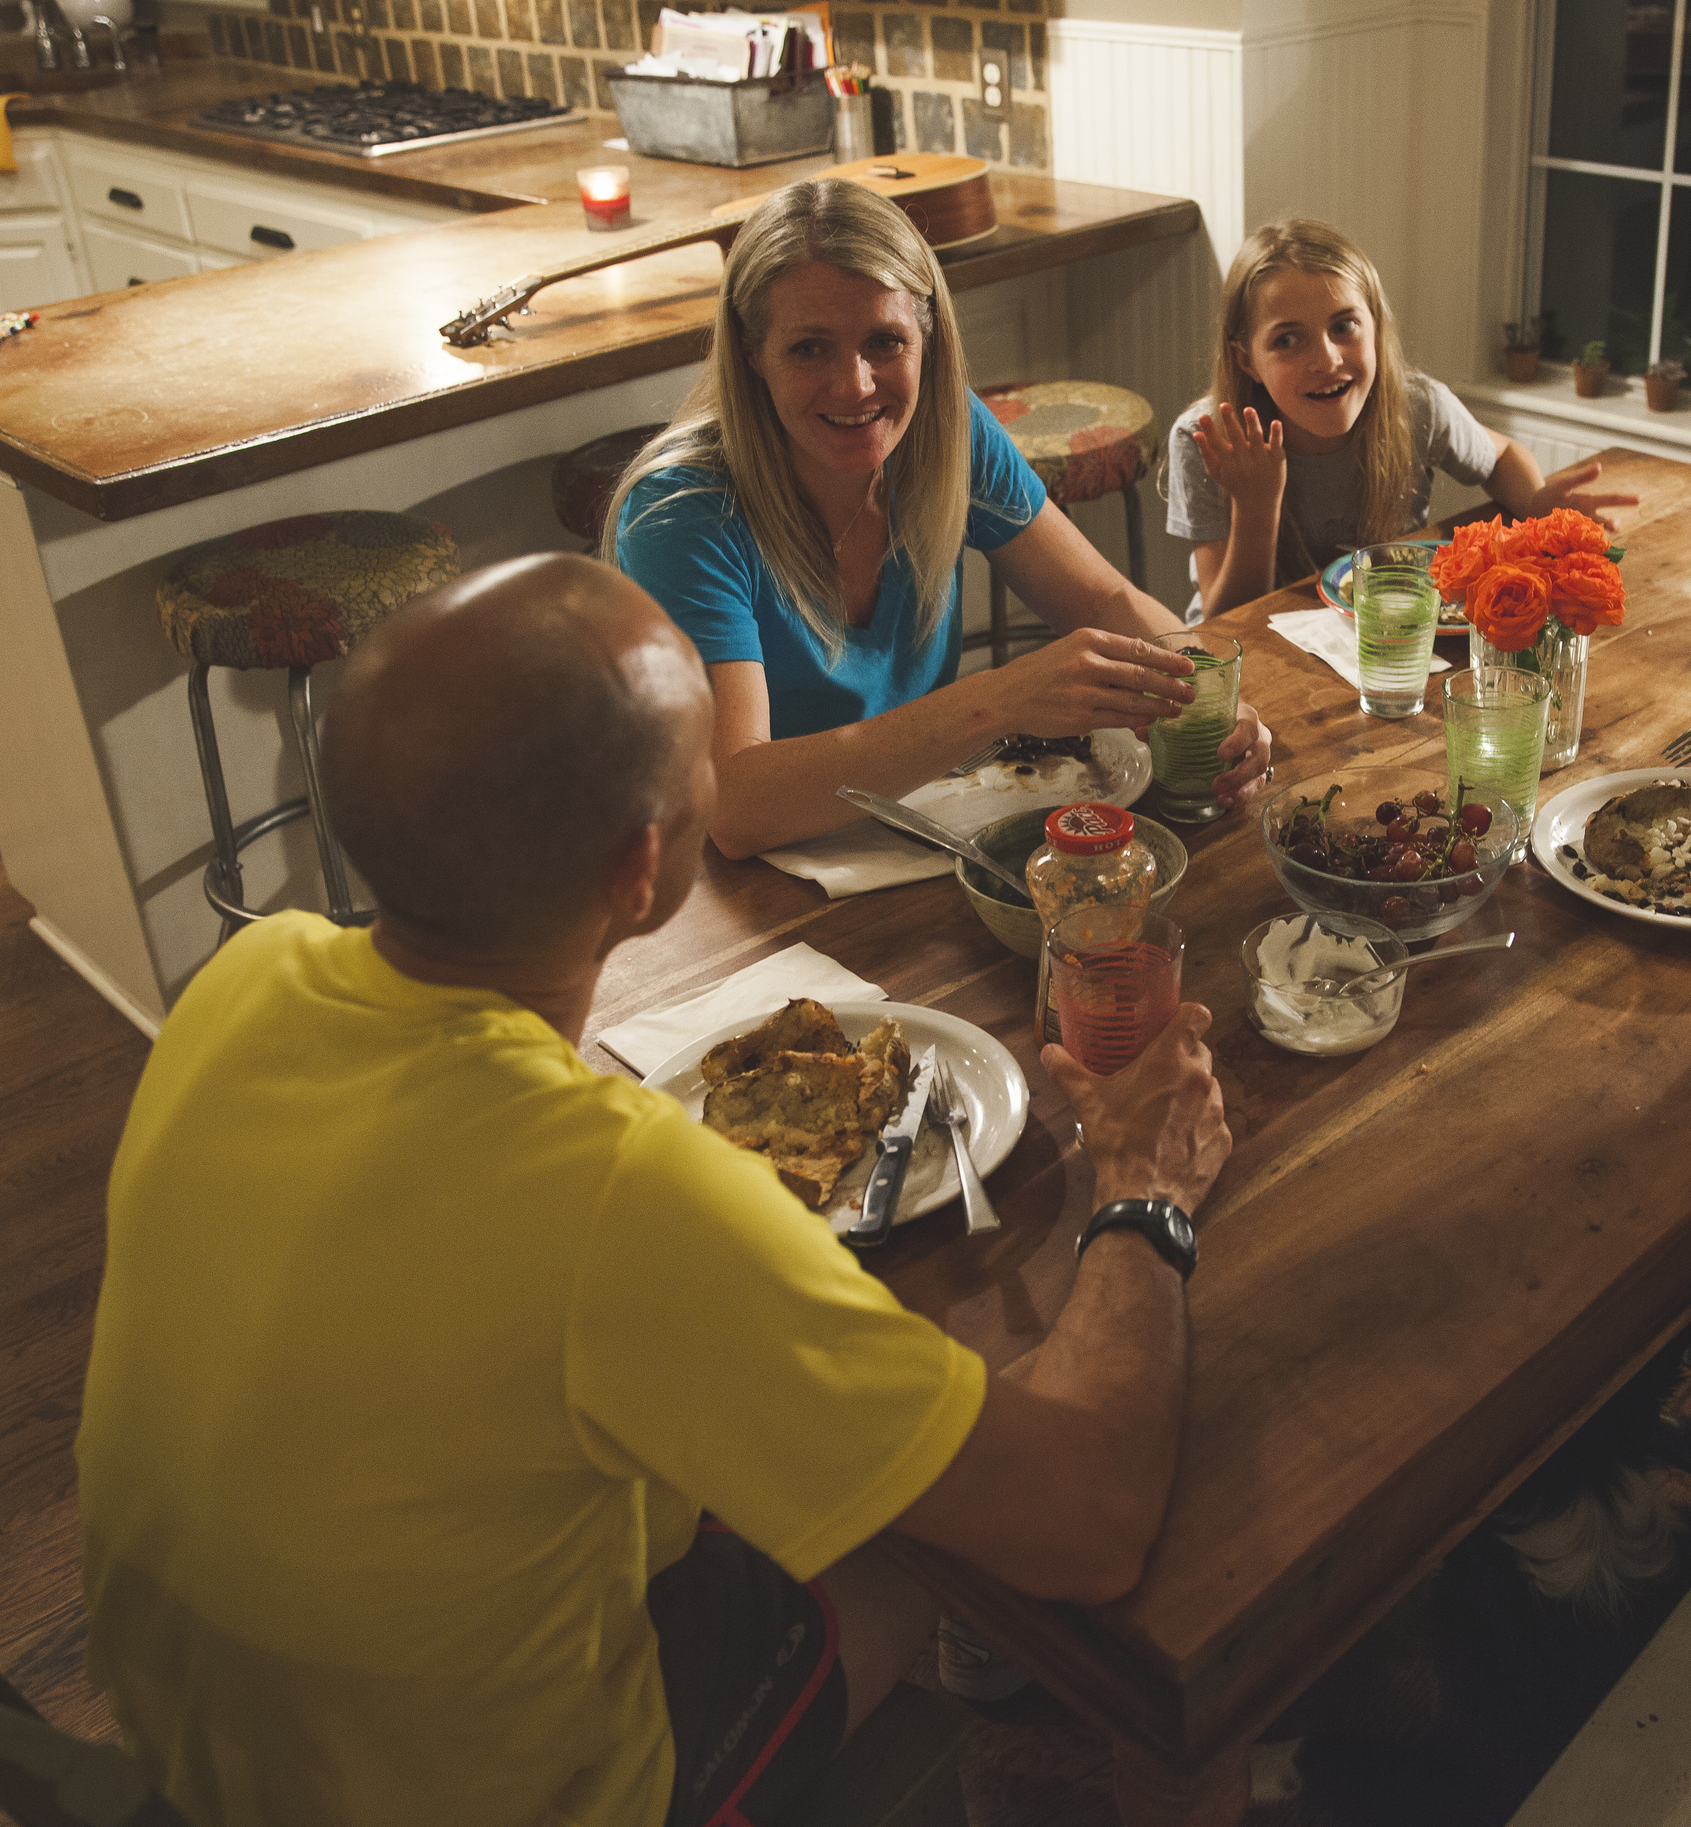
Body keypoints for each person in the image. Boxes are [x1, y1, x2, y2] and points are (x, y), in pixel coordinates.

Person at [76, 554, 1234, 1827]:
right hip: (505, 1796)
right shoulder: (620, 1192)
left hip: (206, 1752)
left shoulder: (249, 976)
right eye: (703, 760)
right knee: (938, 1551)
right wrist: (1140, 1189)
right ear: (641, 868)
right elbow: (1089, 1518)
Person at [605, 179, 1271, 857]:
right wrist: (997, 702)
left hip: (909, 839)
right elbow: (737, 806)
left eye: (884, 342)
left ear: (927, 338)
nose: (856, 384)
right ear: (753, 356)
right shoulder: (680, 512)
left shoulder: (947, 430)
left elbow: (1102, 596)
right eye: (810, 348)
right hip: (731, 900)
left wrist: (1214, 697)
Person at [1164, 217, 1638, 621]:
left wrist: (1535, 504)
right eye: (1287, 341)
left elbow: (1501, 455)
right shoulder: (1209, 440)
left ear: (1375, 326)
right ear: (1246, 360)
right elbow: (1226, 622)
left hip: (1387, 633)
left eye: (1343, 326)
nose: (1326, 359)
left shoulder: (1417, 406)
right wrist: (1256, 502)